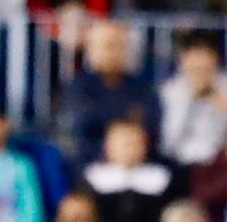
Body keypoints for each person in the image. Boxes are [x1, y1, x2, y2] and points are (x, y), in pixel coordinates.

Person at [63, 22, 162, 170]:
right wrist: (118, 138)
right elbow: (83, 126)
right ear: (91, 50)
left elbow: (151, 123)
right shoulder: (78, 86)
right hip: (91, 160)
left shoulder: (141, 86)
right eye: (109, 46)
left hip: (139, 160)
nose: (115, 52)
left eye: (121, 46)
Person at [158, 32, 227, 169]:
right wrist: (189, 102)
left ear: (215, 58)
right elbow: (168, 142)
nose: (199, 63)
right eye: (194, 56)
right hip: (177, 162)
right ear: (182, 60)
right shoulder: (170, 91)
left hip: (224, 164)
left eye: (204, 56)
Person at [80, 119, 178, 222]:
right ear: (107, 147)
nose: (129, 149)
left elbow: (169, 217)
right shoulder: (92, 178)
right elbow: (89, 218)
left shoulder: (162, 178)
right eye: (124, 144)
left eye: (135, 143)